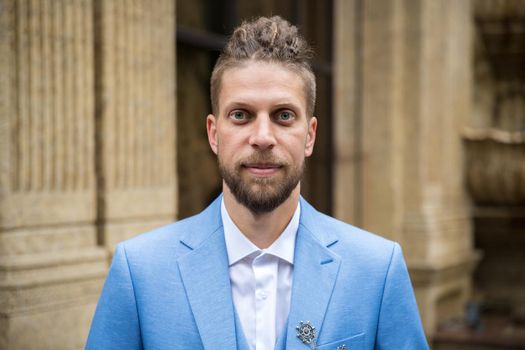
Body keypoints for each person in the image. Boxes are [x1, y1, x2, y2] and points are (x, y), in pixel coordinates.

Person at [86, 16, 429, 350]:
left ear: (309, 136)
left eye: (283, 116)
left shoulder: (377, 270)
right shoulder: (139, 272)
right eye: (241, 115)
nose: (262, 138)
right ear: (213, 133)